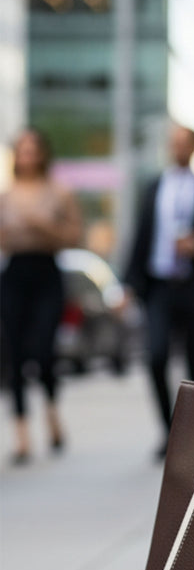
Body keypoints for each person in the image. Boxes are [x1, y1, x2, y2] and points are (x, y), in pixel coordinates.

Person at [124, 125, 194, 457]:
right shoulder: (153, 187)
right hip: (159, 286)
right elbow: (141, 237)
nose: (177, 149)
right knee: (155, 357)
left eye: (183, 144)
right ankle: (170, 430)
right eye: (173, 143)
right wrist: (129, 286)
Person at [0, 128, 83, 464]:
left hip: (47, 273)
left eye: (32, 150)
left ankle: (51, 410)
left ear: (42, 154)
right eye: (22, 150)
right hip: (14, 274)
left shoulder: (59, 193)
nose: (27, 156)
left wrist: (42, 226)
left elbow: (75, 235)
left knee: (44, 350)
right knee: (15, 353)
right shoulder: (6, 196)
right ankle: (21, 432)